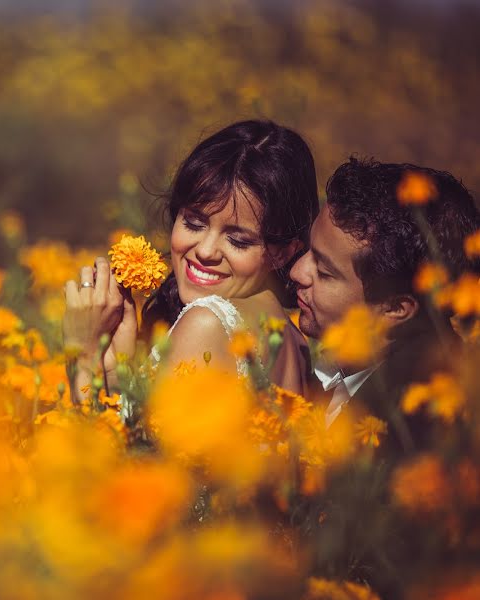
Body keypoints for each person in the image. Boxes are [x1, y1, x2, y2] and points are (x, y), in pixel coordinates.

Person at [288, 157, 479, 599]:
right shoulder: (352, 365)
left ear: (395, 309)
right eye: (306, 252)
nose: (297, 272)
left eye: (324, 270)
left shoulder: (415, 439)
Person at [63, 119, 320, 400]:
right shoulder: (293, 340)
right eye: (194, 223)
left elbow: (104, 445)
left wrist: (83, 355)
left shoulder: (207, 323)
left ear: (283, 252)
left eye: (238, 240)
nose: (206, 251)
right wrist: (115, 369)